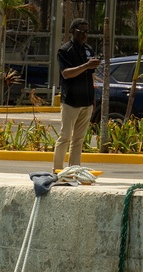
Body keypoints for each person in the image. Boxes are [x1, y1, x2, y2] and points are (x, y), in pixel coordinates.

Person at [52, 19, 100, 171]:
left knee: (78, 139)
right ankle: (57, 170)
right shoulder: (64, 51)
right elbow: (66, 74)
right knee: (65, 136)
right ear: (72, 31)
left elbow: (91, 75)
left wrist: (93, 99)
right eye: (81, 32)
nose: (84, 35)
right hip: (71, 101)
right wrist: (86, 65)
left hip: (86, 101)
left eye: (87, 32)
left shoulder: (88, 50)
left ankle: (74, 170)